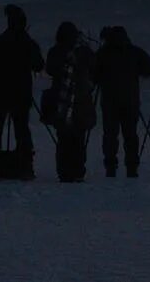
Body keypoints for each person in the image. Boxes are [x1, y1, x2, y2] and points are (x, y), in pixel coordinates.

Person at [0, 4, 44, 180]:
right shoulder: (28, 43)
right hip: (21, 94)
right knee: (21, 130)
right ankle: (25, 167)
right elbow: (39, 64)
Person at [92, 25, 150, 178]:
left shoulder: (103, 53)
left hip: (109, 101)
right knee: (131, 135)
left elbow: (93, 74)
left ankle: (110, 166)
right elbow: (149, 68)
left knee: (110, 135)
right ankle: (132, 167)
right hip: (130, 100)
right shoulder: (134, 51)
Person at [45, 21, 97, 183]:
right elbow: (95, 71)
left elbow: (50, 69)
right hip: (81, 101)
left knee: (64, 139)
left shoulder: (56, 52)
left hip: (62, 101)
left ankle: (65, 171)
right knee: (78, 138)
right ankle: (77, 170)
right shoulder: (85, 52)